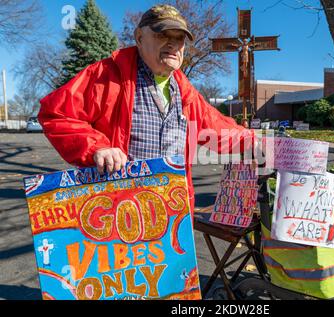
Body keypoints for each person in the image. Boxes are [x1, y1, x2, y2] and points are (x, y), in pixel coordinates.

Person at [38, 4, 256, 213]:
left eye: (179, 38)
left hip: (172, 215)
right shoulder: (106, 75)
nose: (173, 44)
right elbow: (56, 112)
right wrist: (97, 147)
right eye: (163, 35)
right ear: (140, 37)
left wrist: (261, 143)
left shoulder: (185, 91)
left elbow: (220, 130)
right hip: (119, 212)